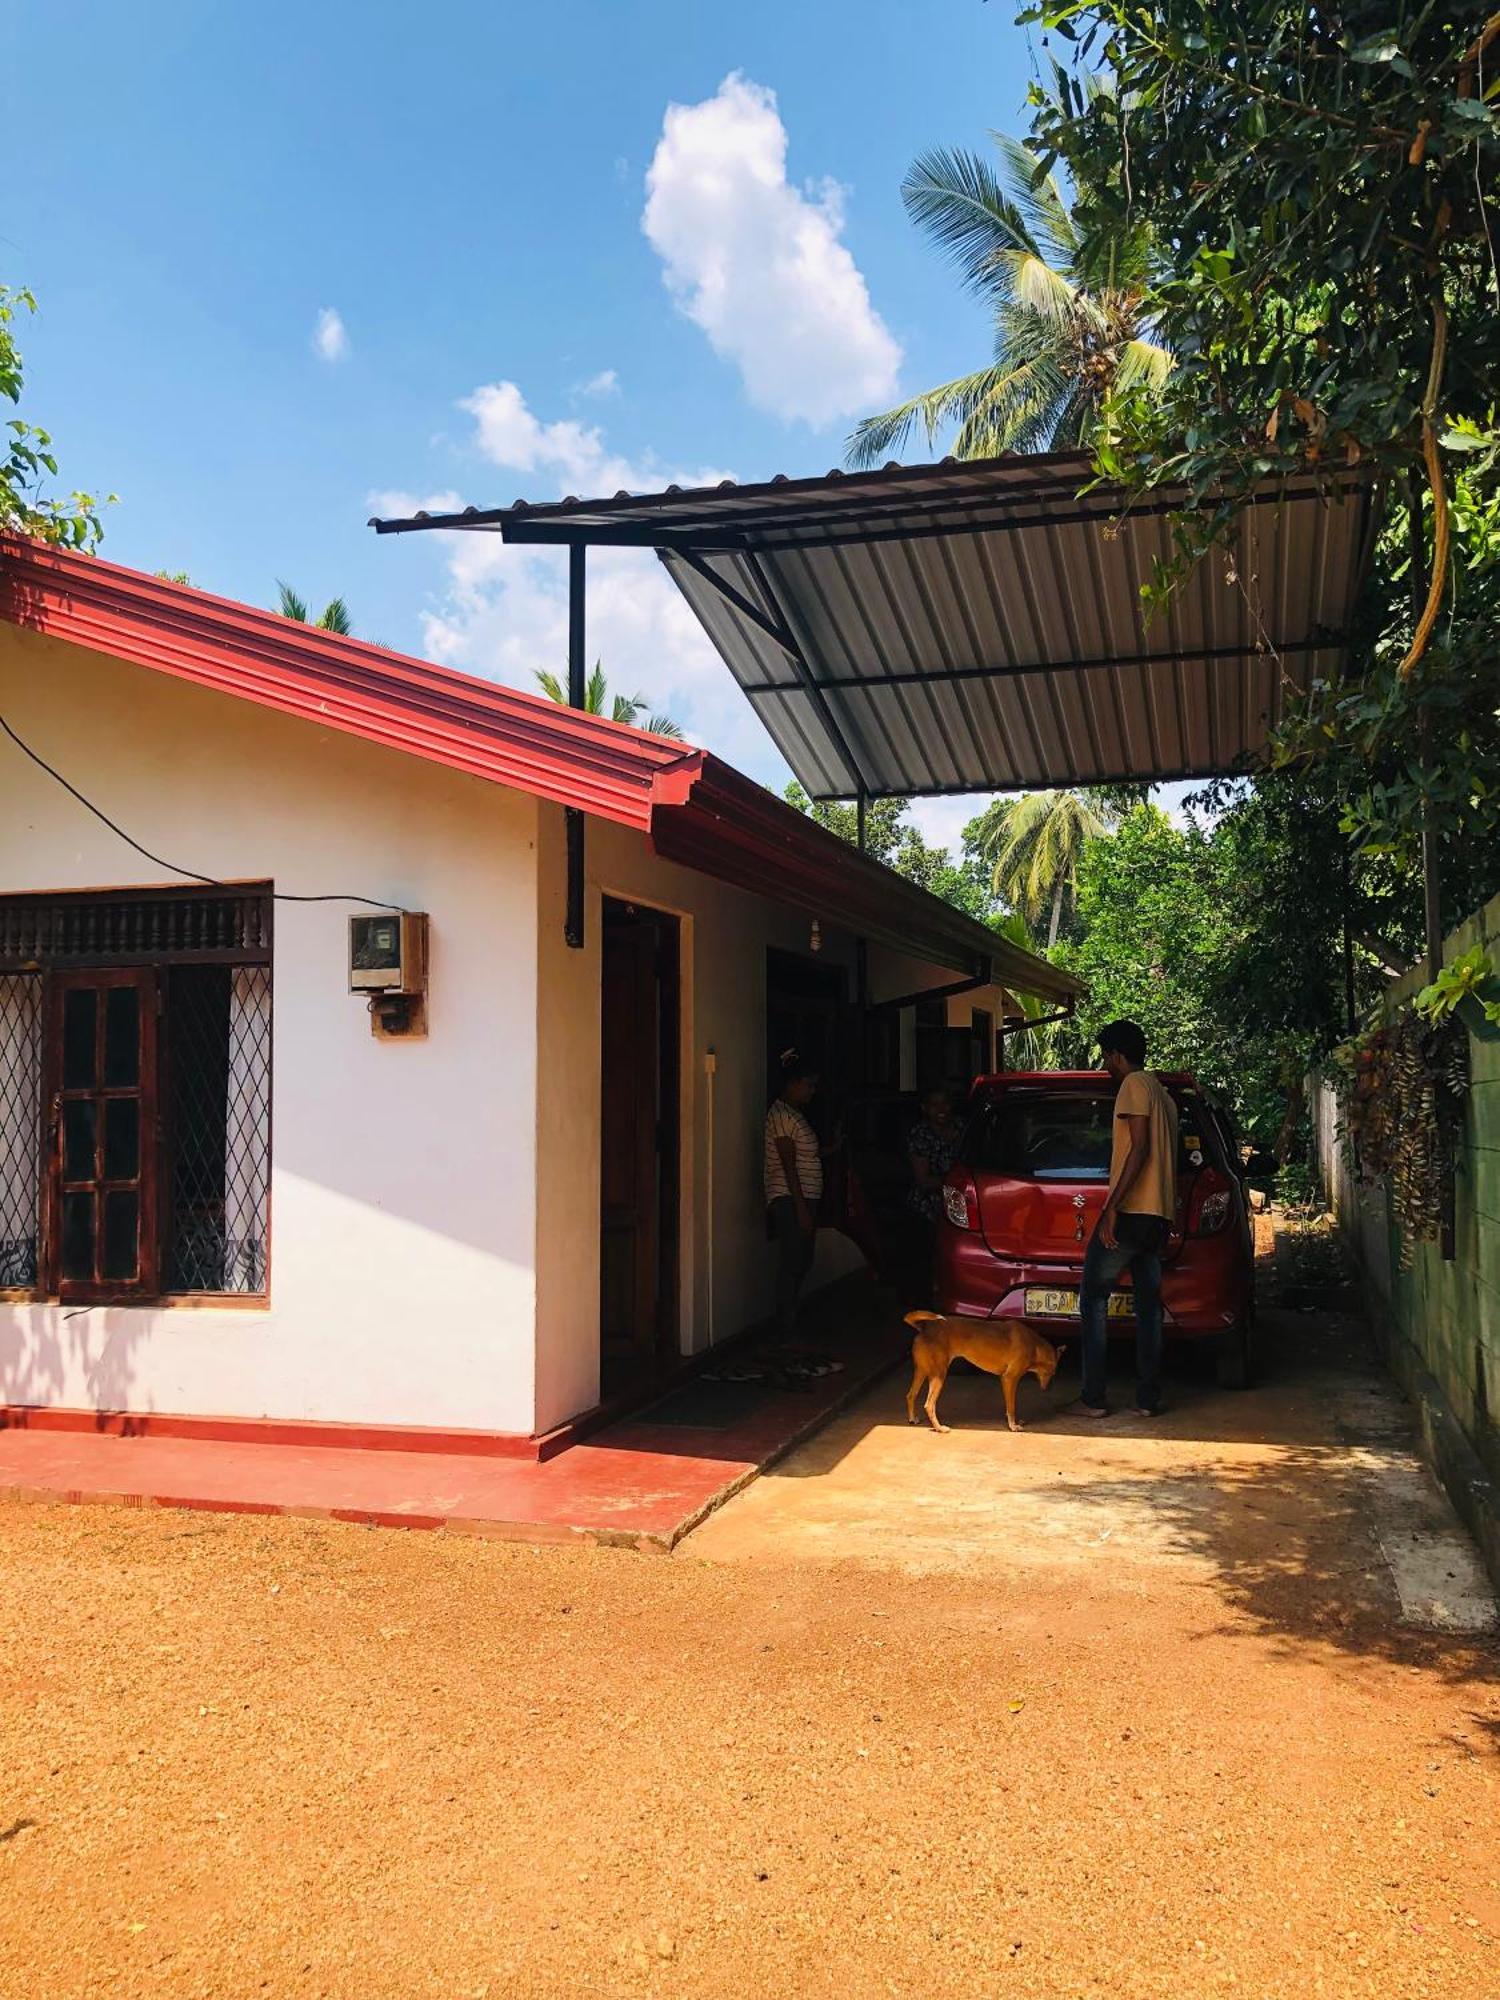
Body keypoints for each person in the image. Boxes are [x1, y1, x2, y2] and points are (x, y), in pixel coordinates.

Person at [1070, 1020, 1178, 1419]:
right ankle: (1147, 1399)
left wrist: (1112, 1206)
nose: (1106, 1066)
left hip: (1133, 1212)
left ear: (1117, 1053)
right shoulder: (1163, 1094)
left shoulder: (1133, 1085)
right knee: (1149, 1307)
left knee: (1093, 1296)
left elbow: (1140, 1148)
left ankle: (1092, 1398)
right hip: (1158, 1216)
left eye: (1106, 1057)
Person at [764, 1052, 824, 1346]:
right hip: (790, 1198)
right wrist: (801, 1208)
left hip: (802, 1197)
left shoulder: (795, 1114)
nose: (812, 1091)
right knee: (794, 1259)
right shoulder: (781, 1116)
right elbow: (788, 1164)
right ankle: (785, 1327)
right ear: (793, 1083)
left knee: (803, 1258)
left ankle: (790, 1320)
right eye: (809, 1085)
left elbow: (806, 1155)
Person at [904, 1086, 962, 1302]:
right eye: (934, 1104)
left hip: (959, 1208)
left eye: (945, 1102)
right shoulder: (920, 1135)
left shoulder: (961, 1128)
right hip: (927, 1209)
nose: (941, 1109)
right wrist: (955, 1185)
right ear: (925, 1108)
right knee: (926, 1261)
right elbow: (923, 1180)